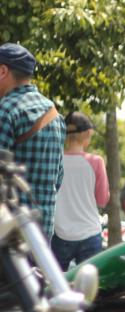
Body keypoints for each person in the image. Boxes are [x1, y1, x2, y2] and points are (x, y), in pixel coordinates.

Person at [0, 43, 65, 239]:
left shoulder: (6, 110)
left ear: (3, 71)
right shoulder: (55, 115)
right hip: (43, 232)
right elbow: (58, 177)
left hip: (9, 233)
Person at [52, 112, 109, 268]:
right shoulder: (96, 161)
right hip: (90, 233)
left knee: (55, 281)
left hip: (60, 233)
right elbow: (102, 200)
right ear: (88, 133)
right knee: (89, 282)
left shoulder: (56, 160)